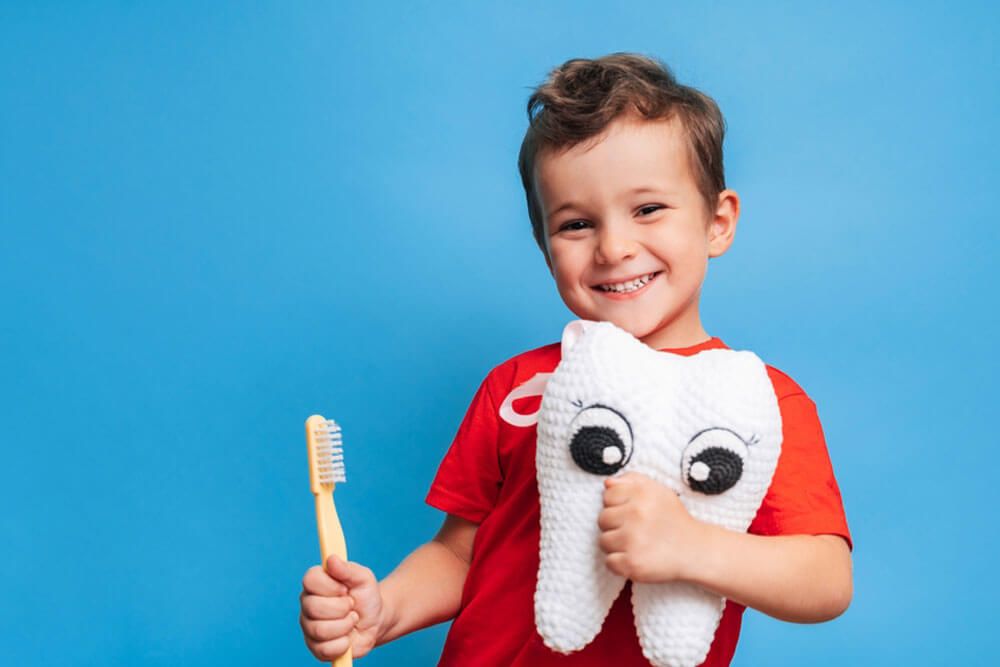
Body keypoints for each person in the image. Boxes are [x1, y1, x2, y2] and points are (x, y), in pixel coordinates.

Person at [299, 53, 853, 667]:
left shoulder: (758, 402)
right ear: (544, 247)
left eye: (648, 209)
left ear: (717, 223)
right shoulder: (518, 388)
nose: (614, 248)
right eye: (577, 224)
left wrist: (692, 547)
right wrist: (384, 610)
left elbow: (825, 580)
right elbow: (459, 555)